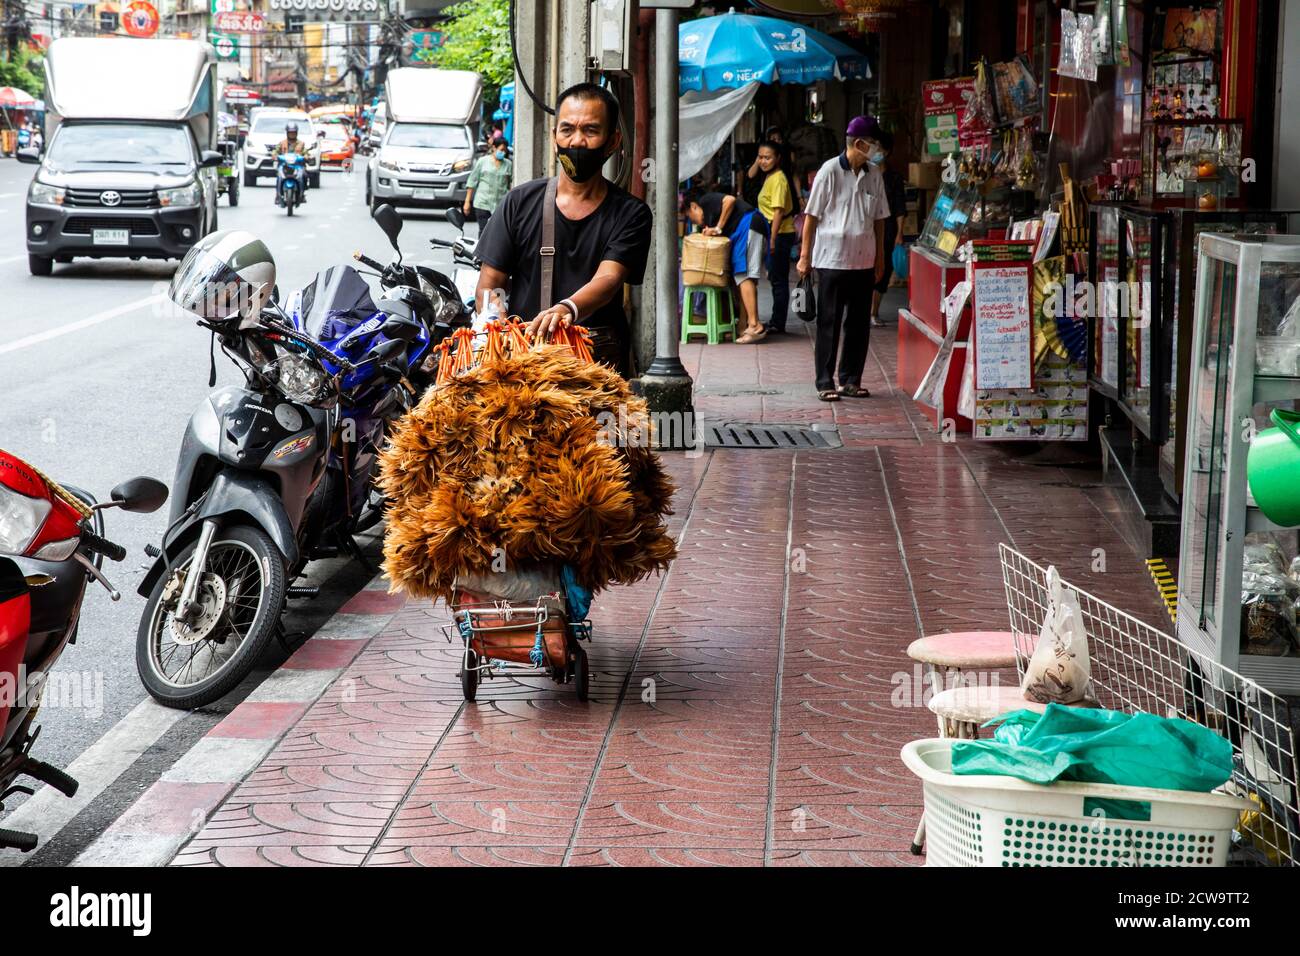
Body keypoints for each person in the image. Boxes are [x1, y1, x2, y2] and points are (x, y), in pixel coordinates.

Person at [474, 83, 652, 377]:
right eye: (567, 130)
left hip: (596, 362)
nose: (577, 141)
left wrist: (567, 309)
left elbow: (609, 278)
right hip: (524, 361)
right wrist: (495, 314)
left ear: (612, 141)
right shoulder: (519, 202)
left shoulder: (631, 213)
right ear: (554, 138)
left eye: (591, 131)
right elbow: (490, 281)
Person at [797, 115, 893, 402]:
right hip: (831, 261)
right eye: (874, 144)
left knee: (858, 324)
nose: (878, 149)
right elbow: (811, 217)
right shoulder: (829, 171)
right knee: (829, 322)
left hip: (863, 261)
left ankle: (851, 379)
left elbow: (880, 219)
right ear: (860, 143)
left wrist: (880, 259)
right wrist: (805, 257)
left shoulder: (874, 174)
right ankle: (825, 381)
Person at [683, 186, 764, 342]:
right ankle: (744, 325)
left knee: (744, 275)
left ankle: (755, 325)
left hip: (748, 224)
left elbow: (730, 200)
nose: (694, 221)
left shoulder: (706, 201)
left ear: (694, 206)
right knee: (742, 278)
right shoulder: (709, 218)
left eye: (691, 217)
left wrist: (718, 228)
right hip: (745, 228)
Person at [748, 141, 797, 340]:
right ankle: (777, 320)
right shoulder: (769, 175)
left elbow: (778, 212)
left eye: (768, 157)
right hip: (773, 233)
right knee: (774, 277)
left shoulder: (778, 179)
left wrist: (773, 240)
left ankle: (778, 323)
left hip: (780, 233)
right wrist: (758, 161)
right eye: (760, 156)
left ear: (778, 159)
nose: (763, 161)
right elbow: (750, 175)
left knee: (778, 280)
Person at [870, 130, 908, 327]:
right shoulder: (865, 173)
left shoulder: (894, 178)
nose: (873, 151)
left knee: (882, 271)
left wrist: (899, 234)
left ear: (886, 151)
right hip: (866, 230)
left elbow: (900, 207)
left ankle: (874, 312)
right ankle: (864, 311)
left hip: (888, 229)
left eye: (877, 147)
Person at [463, 132, 512, 232]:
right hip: (483, 203)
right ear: (494, 147)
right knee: (484, 231)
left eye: (505, 150)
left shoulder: (508, 164)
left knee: (498, 232)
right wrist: (467, 202)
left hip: (500, 204)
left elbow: (510, 184)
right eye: (501, 150)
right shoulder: (482, 161)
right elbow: (472, 181)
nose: (503, 152)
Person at [272, 123, 310, 206]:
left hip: (297, 165)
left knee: (305, 175)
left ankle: (302, 194)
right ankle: (278, 196)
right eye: (290, 133)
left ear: (296, 133)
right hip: (284, 165)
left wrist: (306, 156)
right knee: (279, 177)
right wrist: (275, 155)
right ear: (287, 133)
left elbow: (306, 152)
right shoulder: (282, 143)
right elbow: (275, 151)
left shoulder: (301, 143)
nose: (292, 134)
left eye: (293, 133)